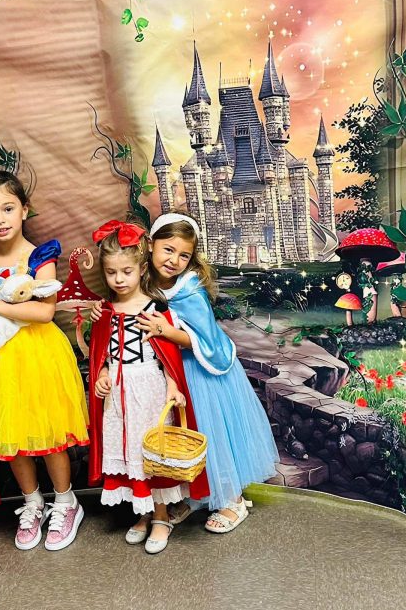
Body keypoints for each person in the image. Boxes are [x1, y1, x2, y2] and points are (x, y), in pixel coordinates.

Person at [91, 211, 278, 532]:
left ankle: (232, 500)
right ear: (151, 245)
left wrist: (166, 331)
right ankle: (194, 497)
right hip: (166, 373)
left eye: (184, 255)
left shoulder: (189, 289)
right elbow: (122, 309)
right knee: (179, 438)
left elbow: (202, 339)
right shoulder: (140, 277)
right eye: (168, 249)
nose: (174, 260)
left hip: (201, 373)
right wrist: (101, 309)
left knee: (209, 435)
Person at [0, 170, 89, 551]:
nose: (0, 219)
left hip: (36, 354)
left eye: (8, 209)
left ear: (24, 210)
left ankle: (66, 501)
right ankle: (32, 502)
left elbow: (44, 311)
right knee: (11, 434)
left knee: (49, 434)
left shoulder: (39, 256)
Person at [87, 219, 209, 554]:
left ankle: (161, 517)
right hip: (118, 394)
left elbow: (166, 356)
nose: (119, 279)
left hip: (149, 389)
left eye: (126, 272)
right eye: (111, 273)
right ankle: (141, 514)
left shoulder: (155, 309)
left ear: (141, 270)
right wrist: (101, 375)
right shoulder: (106, 311)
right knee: (129, 452)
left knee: (151, 453)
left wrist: (173, 386)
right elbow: (100, 355)